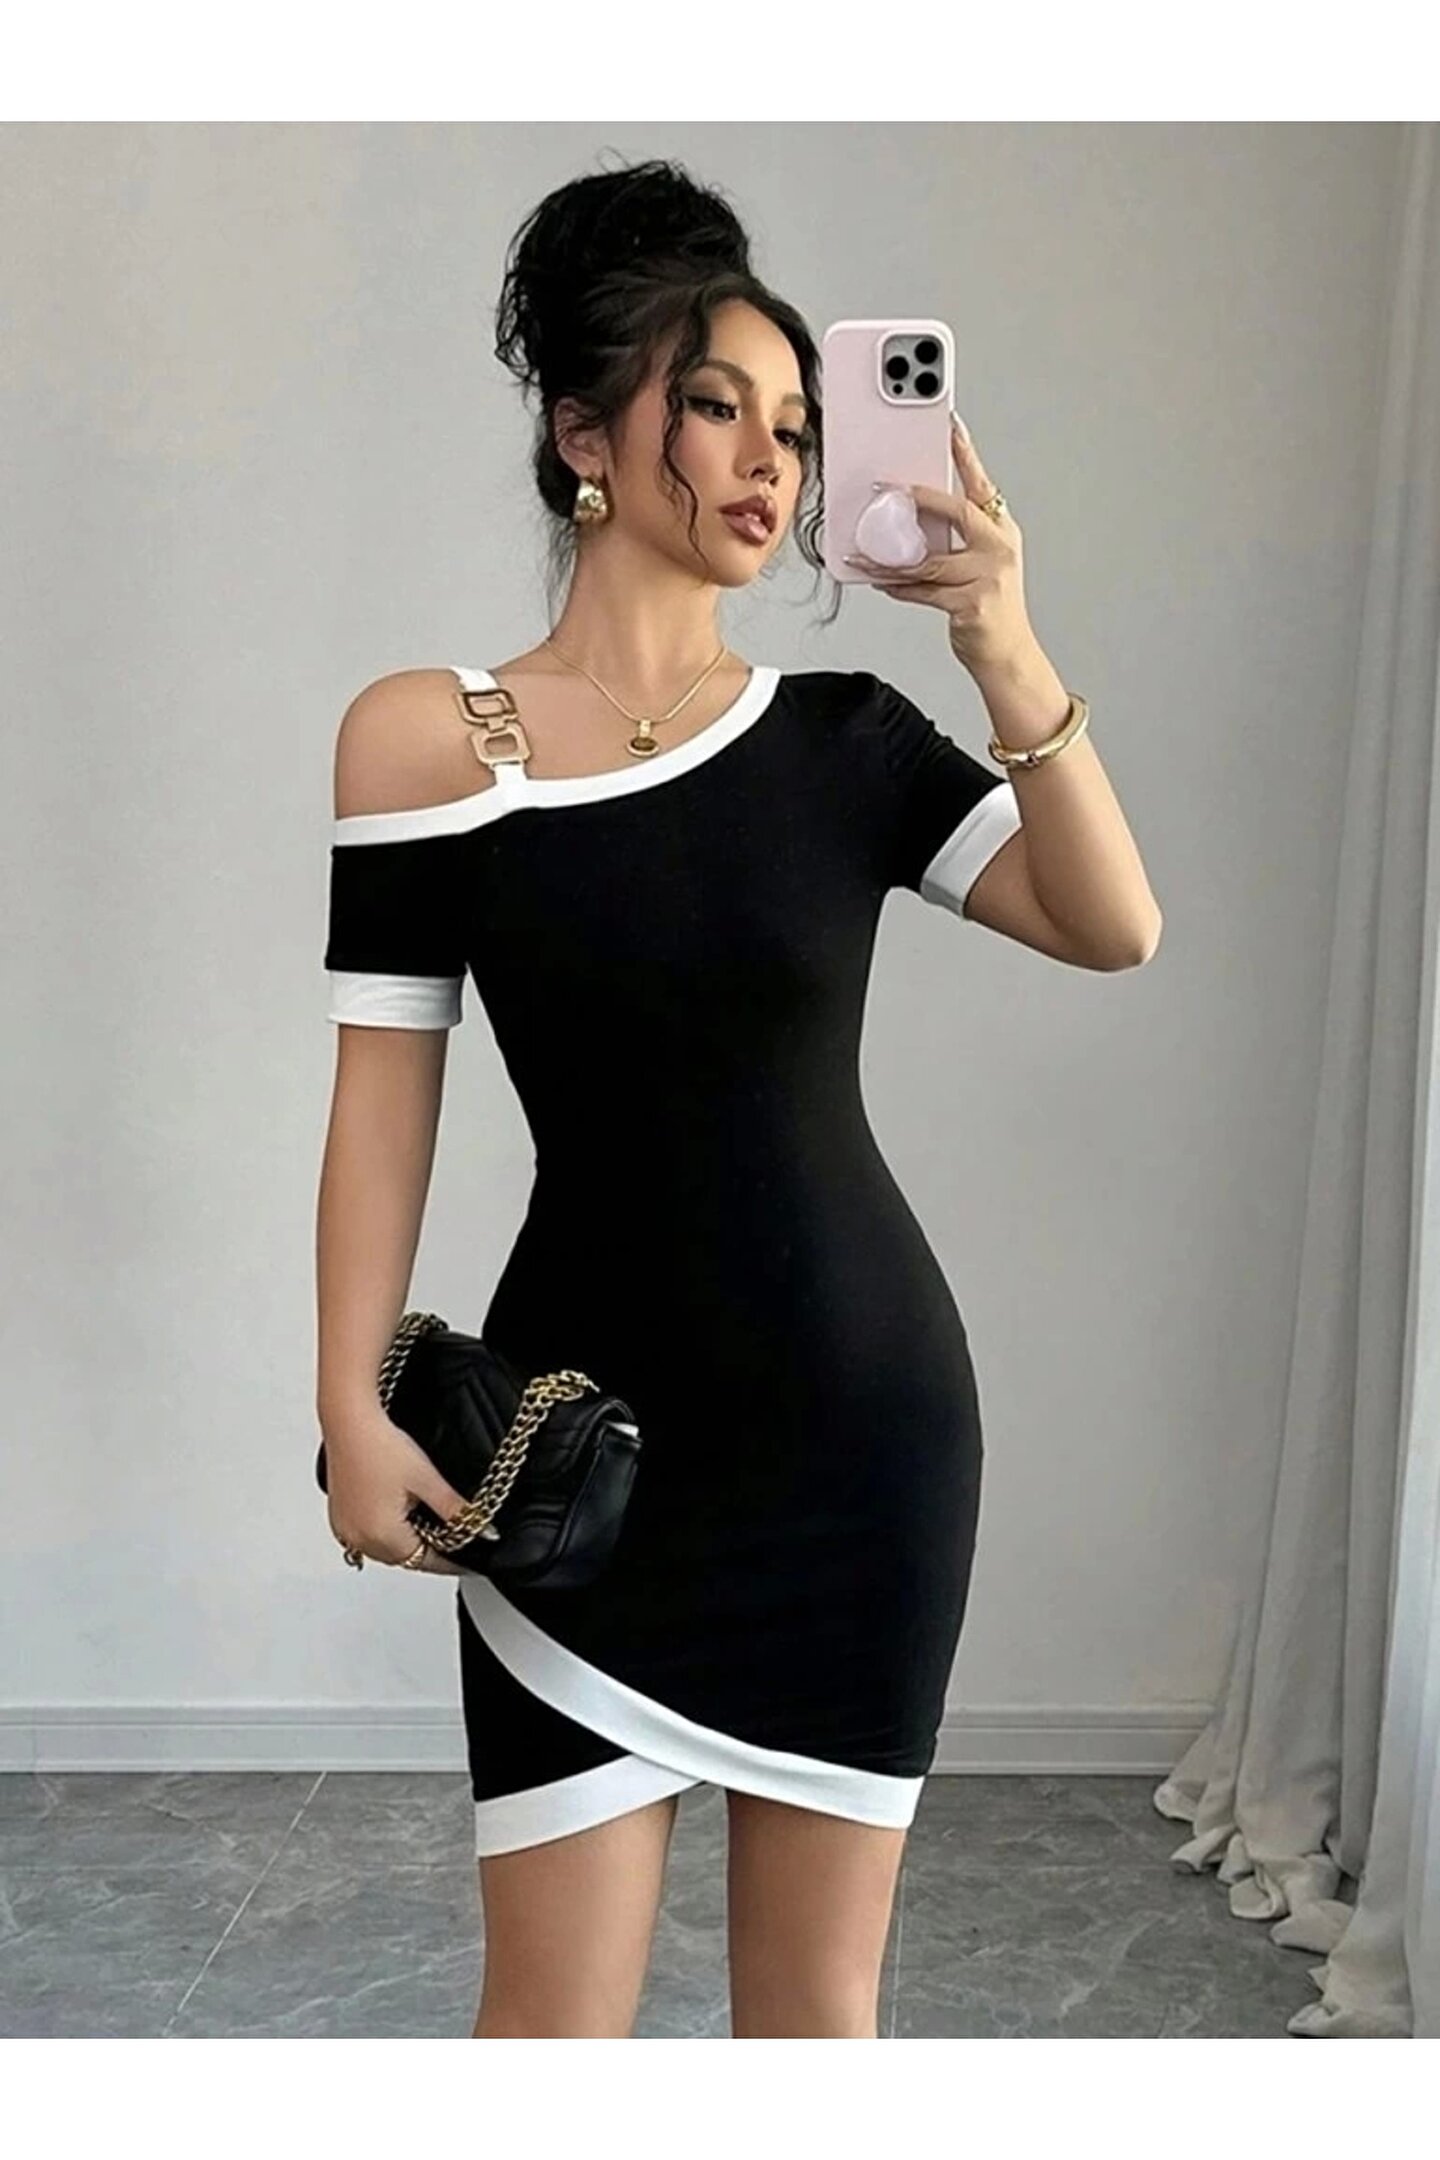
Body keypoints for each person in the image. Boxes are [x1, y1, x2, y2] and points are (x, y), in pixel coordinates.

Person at [313, 156, 1162, 2041]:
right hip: (585, 1467)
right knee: (548, 2031)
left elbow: (1113, 925)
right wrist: (346, 1403)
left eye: (795, 423)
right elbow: (381, 1107)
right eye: (715, 407)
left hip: (862, 1450)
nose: (769, 461)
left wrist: (1001, 638)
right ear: (584, 436)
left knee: (810, 2024)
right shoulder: (426, 742)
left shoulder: (844, 742)